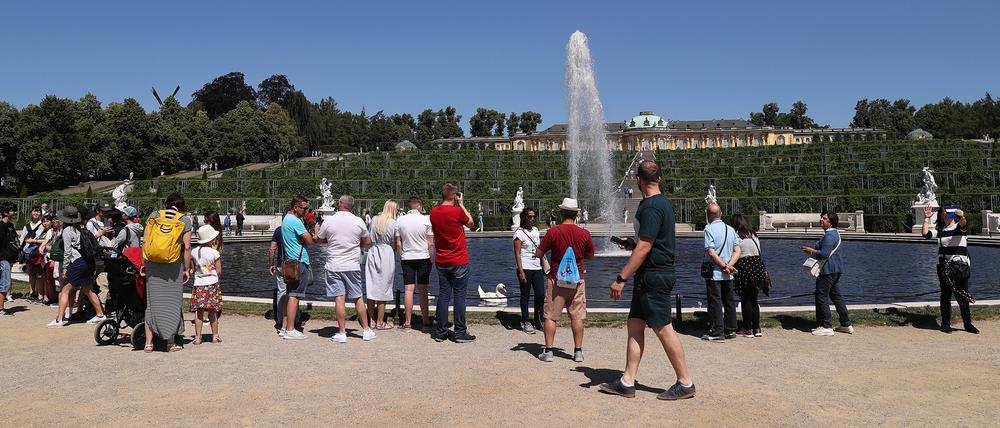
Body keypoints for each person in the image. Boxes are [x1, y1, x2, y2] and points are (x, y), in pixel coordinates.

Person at [601, 159, 695, 400]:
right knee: (635, 324)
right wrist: (632, 244)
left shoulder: (651, 207)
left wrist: (621, 278)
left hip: (654, 275)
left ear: (638, 181)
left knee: (664, 328)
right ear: (660, 178)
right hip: (650, 275)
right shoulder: (662, 204)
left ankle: (685, 383)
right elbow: (647, 243)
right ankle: (627, 381)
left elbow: (645, 247)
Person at [535, 198, 594, 362]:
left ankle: (548, 352)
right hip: (577, 280)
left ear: (561, 213)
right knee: (577, 316)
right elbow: (590, 255)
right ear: (576, 214)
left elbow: (539, 253)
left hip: (556, 279)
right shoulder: (584, 233)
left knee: (551, 316)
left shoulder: (553, 232)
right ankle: (578, 352)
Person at [315, 195, 375, 343]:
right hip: (352, 265)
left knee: (339, 298)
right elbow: (367, 241)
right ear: (351, 206)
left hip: (334, 264)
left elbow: (320, 240)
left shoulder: (329, 220)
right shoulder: (358, 221)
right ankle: (366, 330)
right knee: (358, 298)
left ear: (340, 204)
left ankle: (342, 332)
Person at [140, 193, 193, 351]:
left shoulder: (154, 216)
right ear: (182, 206)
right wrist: (186, 268)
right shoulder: (184, 220)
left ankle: (148, 343)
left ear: (167, 204)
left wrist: (143, 263)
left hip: (153, 264)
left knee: (152, 303)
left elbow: (145, 240)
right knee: (172, 303)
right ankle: (170, 343)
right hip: (173, 266)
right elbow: (188, 248)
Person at [429, 183, 476, 343]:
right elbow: (471, 222)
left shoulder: (434, 212)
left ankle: (441, 332)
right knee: (459, 296)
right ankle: (460, 331)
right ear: (456, 196)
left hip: (441, 259)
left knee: (443, 295)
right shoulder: (457, 211)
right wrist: (462, 204)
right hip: (458, 259)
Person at [922, 205, 978, 334]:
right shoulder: (940, 230)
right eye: (943, 212)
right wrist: (926, 219)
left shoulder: (959, 228)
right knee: (945, 296)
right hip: (944, 268)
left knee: (962, 296)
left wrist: (962, 216)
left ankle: (968, 324)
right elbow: (925, 234)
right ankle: (945, 323)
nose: (944, 214)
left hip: (960, 267)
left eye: (946, 212)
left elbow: (963, 224)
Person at [48, 206, 107, 327]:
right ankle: (100, 314)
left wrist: (65, 268)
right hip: (88, 261)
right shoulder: (81, 228)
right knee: (88, 289)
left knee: (65, 290)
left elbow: (68, 252)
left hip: (77, 262)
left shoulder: (67, 230)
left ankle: (59, 319)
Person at [800, 211, 852, 336]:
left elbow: (824, 254)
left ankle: (826, 326)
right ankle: (846, 324)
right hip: (836, 269)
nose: (821, 220)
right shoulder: (834, 233)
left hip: (828, 270)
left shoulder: (829, 235)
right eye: (821, 218)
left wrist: (810, 251)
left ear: (831, 222)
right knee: (836, 297)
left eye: (824, 218)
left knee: (821, 295)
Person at [701, 203, 740, 341]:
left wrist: (724, 266)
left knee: (715, 302)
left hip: (715, 273)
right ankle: (730, 329)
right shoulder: (730, 229)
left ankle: (717, 331)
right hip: (728, 273)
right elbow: (737, 250)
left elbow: (711, 252)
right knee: (729, 301)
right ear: (721, 213)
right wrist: (729, 265)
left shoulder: (708, 229)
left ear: (708, 215)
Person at [279, 196, 315, 340]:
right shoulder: (296, 221)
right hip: (299, 262)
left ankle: (284, 326)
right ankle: (291, 329)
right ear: (296, 207)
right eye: (304, 208)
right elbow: (310, 240)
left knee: (290, 294)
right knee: (295, 296)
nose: (306, 211)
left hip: (290, 262)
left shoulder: (286, 219)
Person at [397, 197, 434, 332]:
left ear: (409, 207)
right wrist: (431, 257)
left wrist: (401, 255)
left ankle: (407, 322)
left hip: (407, 257)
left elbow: (398, 242)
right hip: (423, 257)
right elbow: (430, 242)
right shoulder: (426, 219)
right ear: (419, 206)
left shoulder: (400, 220)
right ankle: (425, 322)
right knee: (423, 290)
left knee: (408, 290)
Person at [365, 199, 401, 330]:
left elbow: (369, 238)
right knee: (384, 286)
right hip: (386, 253)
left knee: (371, 285)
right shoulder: (393, 223)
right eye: (397, 209)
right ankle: (380, 321)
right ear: (393, 209)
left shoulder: (374, 219)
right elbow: (396, 243)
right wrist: (397, 252)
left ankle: (371, 320)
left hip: (373, 252)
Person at [730, 214, 765, 338]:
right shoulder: (754, 234)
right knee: (754, 299)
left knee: (745, 299)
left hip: (744, 266)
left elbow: (735, 253)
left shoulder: (736, 236)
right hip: (757, 266)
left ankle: (747, 328)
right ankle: (757, 328)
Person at [513, 208, 544, 334]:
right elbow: (517, 254)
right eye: (530, 216)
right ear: (524, 217)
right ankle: (526, 321)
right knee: (525, 295)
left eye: (534, 216)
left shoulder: (536, 230)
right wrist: (521, 271)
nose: (532, 219)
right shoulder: (519, 233)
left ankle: (538, 319)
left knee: (541, 295)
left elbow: (539, 249)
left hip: (537, 267)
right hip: (525, 267)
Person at [190, 225, 223, 344]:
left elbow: (193, 269)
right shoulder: (214, 252)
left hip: (199, 284)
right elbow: (219, 271)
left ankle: (198, 337)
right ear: (211, 239)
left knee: (199, 312)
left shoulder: (194, 252)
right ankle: (215, 336)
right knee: (212, 311)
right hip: (212, 283)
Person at [268, 215, 299, 334]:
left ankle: (280, 320)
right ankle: (294, 319)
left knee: (282, 292)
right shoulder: (295, 229)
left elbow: (272, 249)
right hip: (293, 264)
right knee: (294, 293)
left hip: (281, 264)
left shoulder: (278, 230)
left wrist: (271, 264)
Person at [20, 206, 45, 303]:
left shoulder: (42, 225)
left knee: (39, 273)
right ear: (31, 213)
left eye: (38, 212)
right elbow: (22, 239)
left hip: (38, 252)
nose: (36, 213)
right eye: (35, 211)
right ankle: (32, 292)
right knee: (30, 273)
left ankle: (39, 293)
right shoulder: (27, 226)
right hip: (29, 253)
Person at [0, 204, 18, 315]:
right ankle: (1, 308)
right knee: (4, 283)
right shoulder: (1, 226)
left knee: (4, 283)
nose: (15, 213)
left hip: (8, 257)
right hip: (2, 258)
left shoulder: (10, 225)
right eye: (12, 211)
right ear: (6, 213)